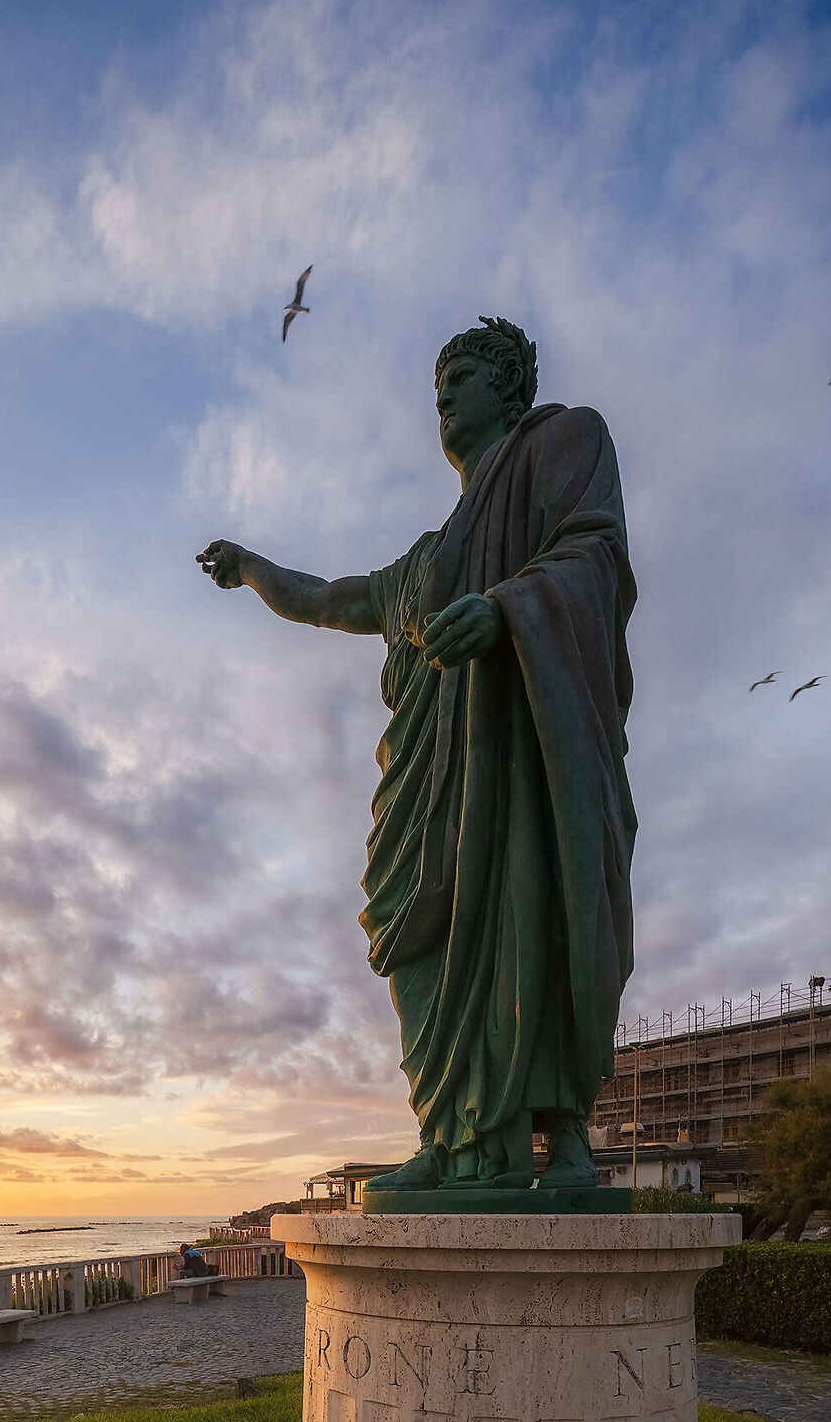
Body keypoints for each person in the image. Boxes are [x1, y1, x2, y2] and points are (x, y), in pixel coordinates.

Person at [197, 317, 635, 1198]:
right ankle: (449, 1128)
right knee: (413, 933)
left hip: (522, 764)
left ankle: (563, 1135)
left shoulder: (566, 440)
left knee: (535, 906)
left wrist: (511, 611)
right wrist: (249, 567)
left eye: (463, 373)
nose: (443, 392)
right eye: (438, 380)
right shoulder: (425, 563)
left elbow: (595, 554)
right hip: (432, 786)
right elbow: (327, 599)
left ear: (508, 386)